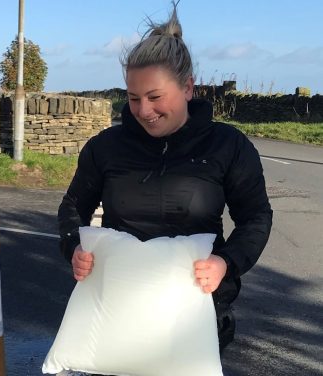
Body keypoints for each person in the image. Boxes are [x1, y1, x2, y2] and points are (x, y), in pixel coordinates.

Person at [57, 1, 273, 361]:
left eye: (156, 97)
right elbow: (72, 207)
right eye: (133, 97)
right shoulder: (105, 148)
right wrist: (74, 249)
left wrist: (225, 263)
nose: (143, 110)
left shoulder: (228, 145)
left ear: (188, 87)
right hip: (118, 308)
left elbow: (256, 217)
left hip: (196, 312)